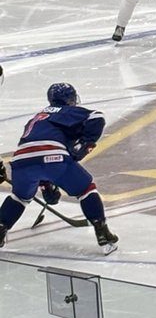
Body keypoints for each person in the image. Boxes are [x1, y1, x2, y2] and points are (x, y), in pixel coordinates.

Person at [0, 83, 117, 252]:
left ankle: (1, 229)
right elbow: (97, 117)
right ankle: (103, 234)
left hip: (21, 160)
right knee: (86, 189)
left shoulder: (37, 118)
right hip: (53, 155)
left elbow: (36, 158)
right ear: (70, 99)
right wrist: (86, 143)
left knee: (19, 197)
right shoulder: (65, 111)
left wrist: (45, 185)